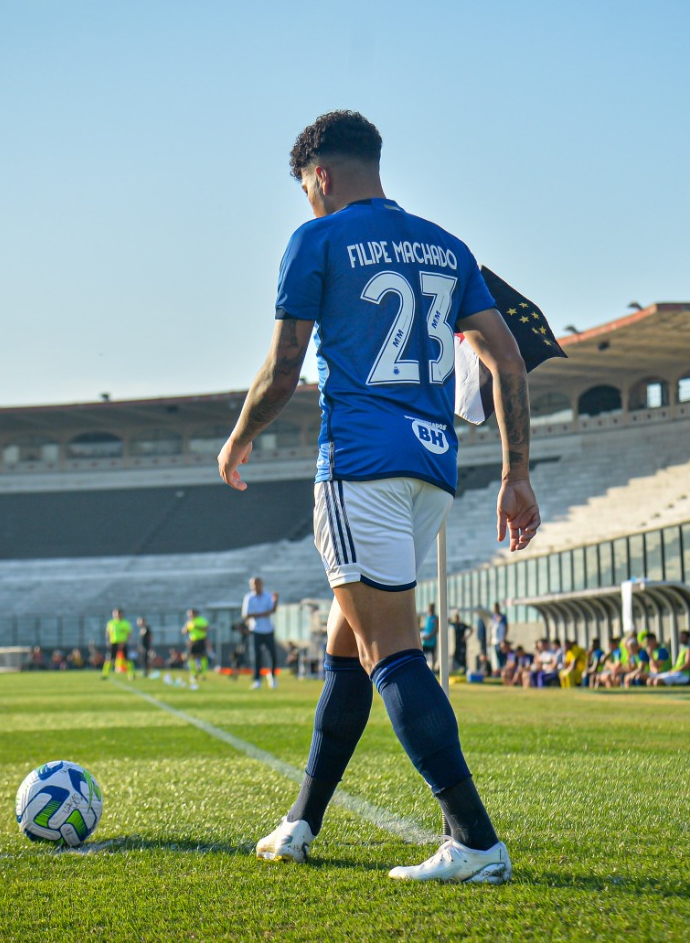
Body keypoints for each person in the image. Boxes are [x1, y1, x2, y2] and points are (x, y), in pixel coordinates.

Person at [218, 111, 538, 884]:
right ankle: (301, 820)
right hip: (432, 471)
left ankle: (474, 839)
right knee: (346, 651)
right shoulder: (447, 245)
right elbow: (509, 364)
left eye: (306, 189)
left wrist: (237, 436)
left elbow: (285, 366)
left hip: (358, 464)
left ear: (320, 175)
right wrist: (516, 472)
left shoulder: (317, 240)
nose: (308, 202)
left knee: (387, 651)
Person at [242, 576, 280, 689]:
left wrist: (276, 601)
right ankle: (257, 679)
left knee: (272, 654)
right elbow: (245, 615)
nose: (255, 586)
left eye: (257, 583)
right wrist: (262, 614)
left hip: (268, 629)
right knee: (257, 656)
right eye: (253, 584)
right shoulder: (249, 597)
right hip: (256, 630)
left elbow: (272, 611)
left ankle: (272, 676)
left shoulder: (268, 596)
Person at [102, 608, 133, 681]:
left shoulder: (126, 623)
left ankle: (131, 674)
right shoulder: (111, 623)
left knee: (127, 659)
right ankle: (105, 674)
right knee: (109, 659)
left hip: (123, 643)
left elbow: (129, 633)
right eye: (116, 613)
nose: (118, 615)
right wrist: (108, 640)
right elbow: (108, 633)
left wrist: (124, 642)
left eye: (119, 613)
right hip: (113, 643)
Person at [183, 609, 210, 689]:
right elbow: (184, 631)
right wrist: (186, 630)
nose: (190, 616)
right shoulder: (189, 622)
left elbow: (206, 629)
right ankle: (194, 674)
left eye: (191, 614)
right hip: (192, 641)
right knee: (191, 657)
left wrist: (196, 627)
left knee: (202, 656)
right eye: (189, 614)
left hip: (201, 640)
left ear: (195, 613)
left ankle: (203, 674)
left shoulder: (201, 620)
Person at [420, 604, 439, 672]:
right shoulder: (425, 617)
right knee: (422, 653)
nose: (430, 609)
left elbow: (436, 629)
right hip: (425, 640)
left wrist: (430, 636)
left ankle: (433, 669)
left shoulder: (435, 618)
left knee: (433, 654)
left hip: (432, 640)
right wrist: (422, 635)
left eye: (431, 608)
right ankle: (422, 667)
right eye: (429, 608)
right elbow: (422, 627)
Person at [489, 604, 508, 669]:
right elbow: (491, 628)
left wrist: (504, 638)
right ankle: (498, 669)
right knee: (495, 656)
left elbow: (506, 627)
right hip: (494, 640)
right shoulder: (492, 617)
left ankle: (502, 668)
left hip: (500, 640)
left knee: (501, 655)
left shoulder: (503, 617)